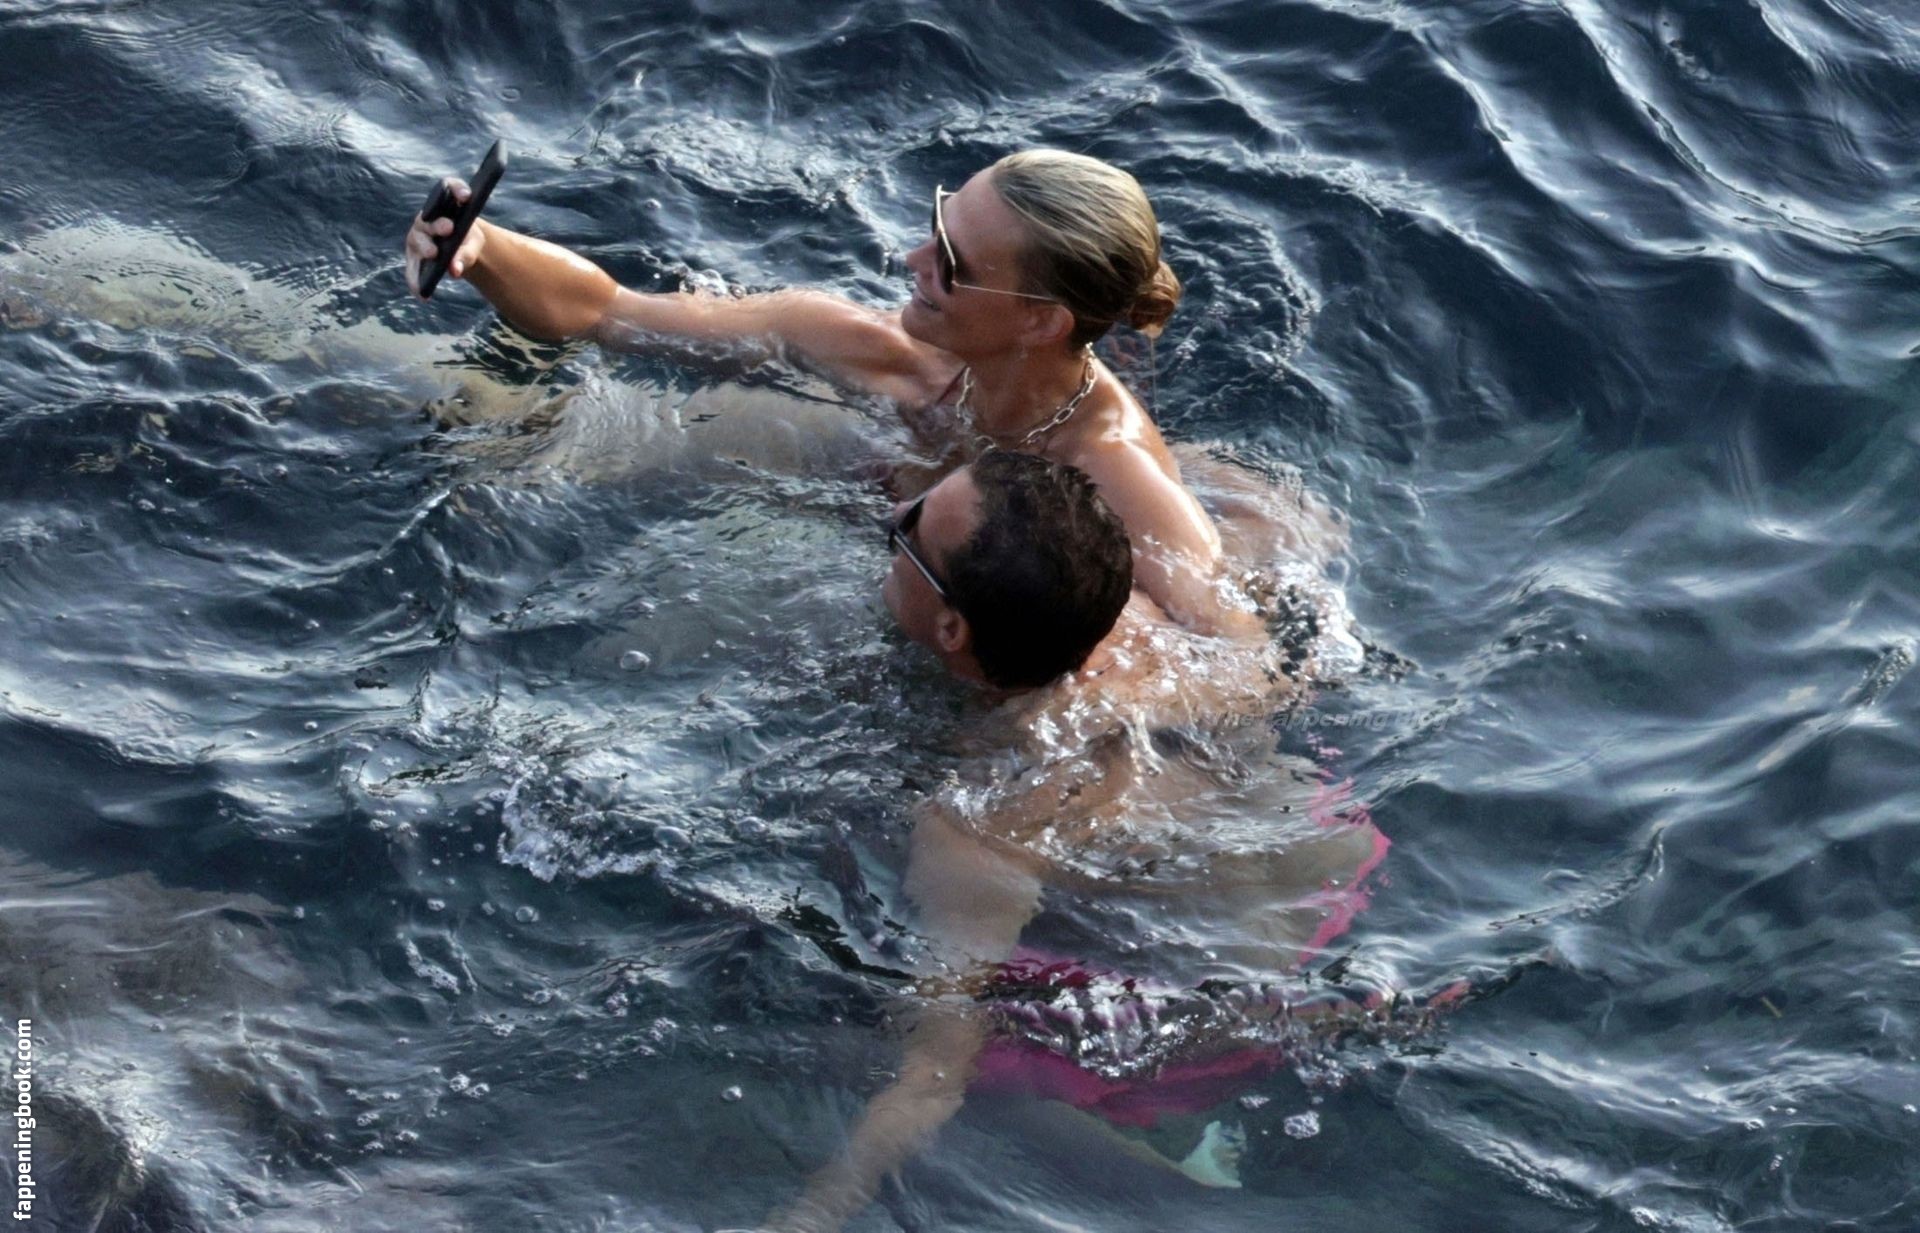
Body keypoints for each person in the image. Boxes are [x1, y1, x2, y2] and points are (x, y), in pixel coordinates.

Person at [404, 148, 1264, 639]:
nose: (912, 263)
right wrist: (482, 249)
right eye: (934, 229)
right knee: (496, 419)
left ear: (1041, 320)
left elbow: (1242, 664)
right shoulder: (879, 351)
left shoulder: (1117, 479)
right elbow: (608, 311)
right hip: (877, 506)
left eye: (951, 263)